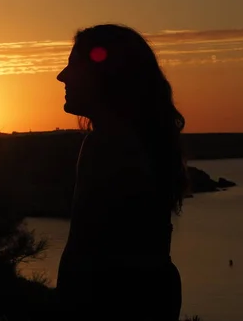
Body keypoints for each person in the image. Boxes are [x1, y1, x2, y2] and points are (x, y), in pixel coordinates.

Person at [55, 24, 187, 319]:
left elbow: (90, 255)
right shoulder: (140, 142)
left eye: (73, 66)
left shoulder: (109, 147)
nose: (62, 76)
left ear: (105, 75)